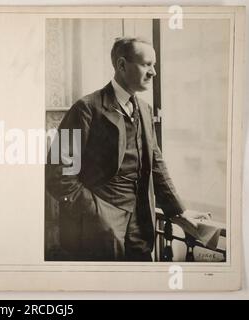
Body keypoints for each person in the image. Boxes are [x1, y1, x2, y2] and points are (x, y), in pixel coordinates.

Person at [45, 36, 209, 261]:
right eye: (146, 64)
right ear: (122, 65)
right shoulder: (86, 109)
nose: (153, 73)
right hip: (99, 226)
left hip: (141, 223)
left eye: (154, 65)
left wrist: (179, 211)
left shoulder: (144, 109)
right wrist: (96, 213)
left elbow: (156, 165)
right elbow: (57, 172)